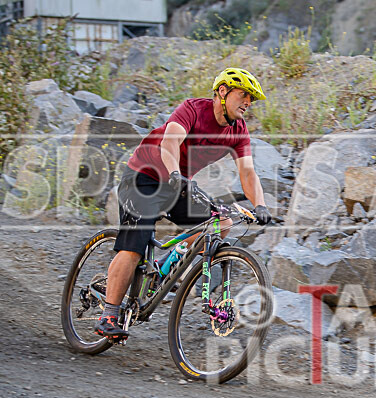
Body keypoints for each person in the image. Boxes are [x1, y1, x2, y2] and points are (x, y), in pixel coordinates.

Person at [95, 67, 272, 340]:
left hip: (177, 184)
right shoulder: (192, 109)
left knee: (220, 223)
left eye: (252, 99)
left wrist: (260, 205)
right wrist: (176, 175)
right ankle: (108, 314)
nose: (248, 102)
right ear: (222, 92)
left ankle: (163, 267)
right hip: (143, 177)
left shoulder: (238, 131)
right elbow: (170, 143)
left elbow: (247, 172)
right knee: (134, 245)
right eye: (243, 95)